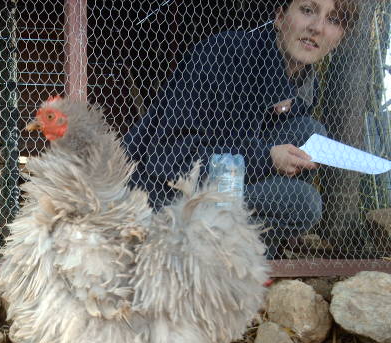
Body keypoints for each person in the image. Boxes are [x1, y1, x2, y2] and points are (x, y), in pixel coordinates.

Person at [124, 0, 359, 259]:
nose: (317, 27)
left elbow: (252, 159)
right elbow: (168, 159)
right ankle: (207, 253)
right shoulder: (227, 54)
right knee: (304, 202)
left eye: (334, 20)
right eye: (307, 10)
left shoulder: (302, 87)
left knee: (310, 134)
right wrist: (267, 158)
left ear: (339, 39)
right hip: (158, 195)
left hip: (222, 190)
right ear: (280, 17)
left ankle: (242, 255)